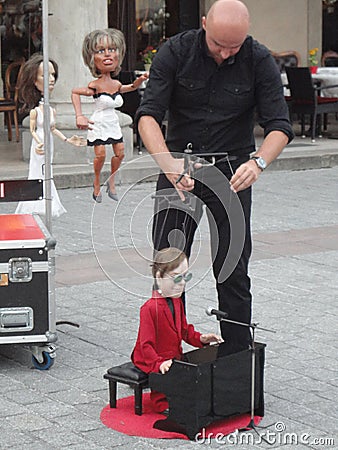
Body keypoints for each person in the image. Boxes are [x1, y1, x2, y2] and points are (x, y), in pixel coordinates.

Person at [135, 0, 294, 353]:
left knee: (233, 267)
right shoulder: (174, 51)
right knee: (168, 264)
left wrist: (258, 163)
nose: (224, 53)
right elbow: (148, 116)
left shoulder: (259, 59)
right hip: (179, 164)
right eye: (218, 44)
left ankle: (238, 358)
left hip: (233, 168)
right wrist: (169, 165)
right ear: (204, 23)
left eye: (233, 47)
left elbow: (279, 126)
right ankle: (164, 356)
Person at [131, 247, 222, 413]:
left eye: (185, 276)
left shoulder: (177, 302)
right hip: (151, 358)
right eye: (176, 278)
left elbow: (184, 330)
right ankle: (161, 402)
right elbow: (146, 346)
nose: (182, 282)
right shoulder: (149, 309)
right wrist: (159, 363)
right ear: (159, 278)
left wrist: (201, 338)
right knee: (168, 384)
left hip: (172, 355)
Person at [71, 29, 148, 202]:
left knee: (120, 153)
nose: (107, 54)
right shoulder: (95, 85)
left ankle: (111, 181)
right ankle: (97, 182)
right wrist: (79, 116)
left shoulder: (116, 83)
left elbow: (130, 87)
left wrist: (140, 80)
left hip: (112, 122)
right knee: (101, 155)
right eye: (100, 51)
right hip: (98, 123)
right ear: (92, 58)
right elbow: (75, 92)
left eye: (112, 50)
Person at [15, 53, 86, 217]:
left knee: (48, 170)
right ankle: (34, 202)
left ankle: (47, 199)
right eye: (46, 75)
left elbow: (53, 128)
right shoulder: (36, 111)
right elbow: (32, 130)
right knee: (37, 171)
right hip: (39, 145)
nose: (52, 79)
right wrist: (38, 142)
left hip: (49, 143)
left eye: (53, 74)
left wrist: (68, 139)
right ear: (35, 80)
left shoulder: (51, 109)